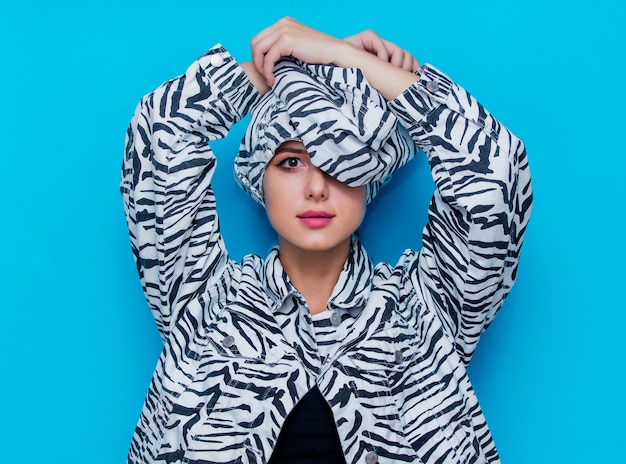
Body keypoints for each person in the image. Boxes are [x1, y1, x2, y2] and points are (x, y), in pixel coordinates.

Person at [121, 17, 532, 464]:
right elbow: (159, 136)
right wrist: (283, 66)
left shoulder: (426, 313)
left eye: (340, 160)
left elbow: (495, 176)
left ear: (368, 179)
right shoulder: (202, 303)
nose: (317, 187)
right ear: (261, 178)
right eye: (291, 162)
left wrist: (345, 59)